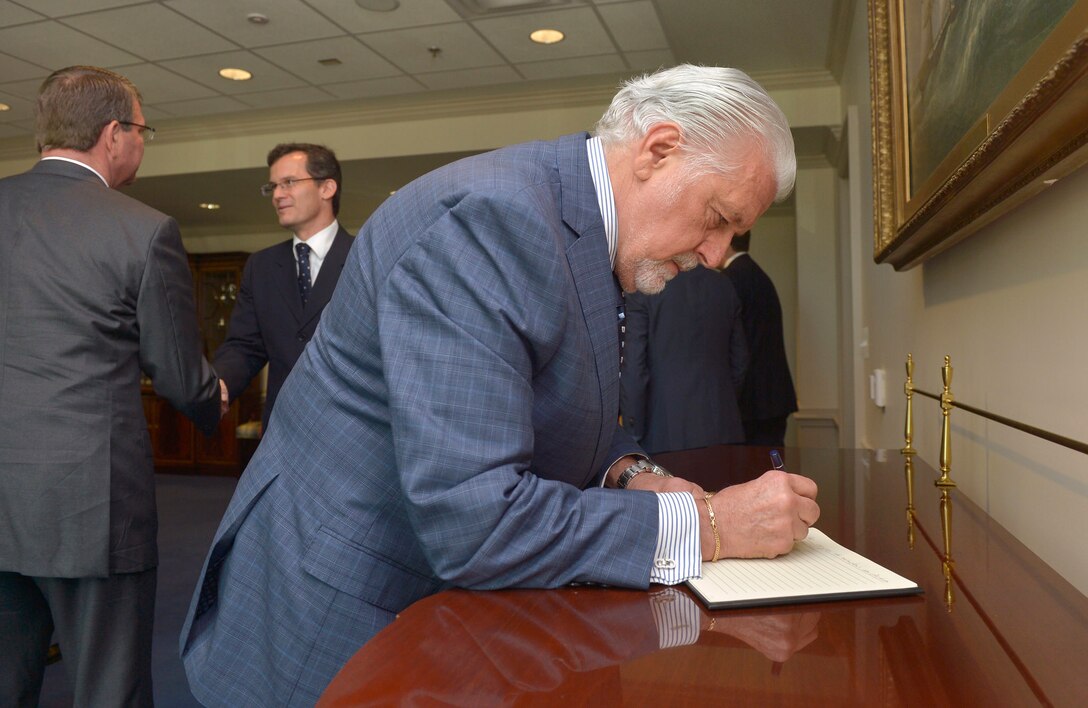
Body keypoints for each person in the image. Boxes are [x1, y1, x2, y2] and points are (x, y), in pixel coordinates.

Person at [181, 64, 821, 706]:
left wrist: (629, 471)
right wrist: (707, 524)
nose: (716, 254)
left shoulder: (603, 240)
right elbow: (475, 521)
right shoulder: (492, 221)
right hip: (336, 600)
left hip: (429, 602)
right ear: (658, 150)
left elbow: (574, 404)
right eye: (717, 217)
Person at [0, 65, 221, 706]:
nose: (142, 143)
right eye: (143, 129)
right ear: (114, 133)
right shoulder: (143, 229)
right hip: (90, 508)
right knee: (108, 690)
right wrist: (217, 402)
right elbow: (180, 376)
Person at [213, 143, 354, 433]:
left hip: (351, 429)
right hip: (283, 431)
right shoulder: (261, 266)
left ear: (327, 188)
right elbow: (245, 346)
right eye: (273, 186)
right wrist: (220, 382)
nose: (277, 195)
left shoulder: (364, 259)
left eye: (289, 183)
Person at [620, 264, 749, 454]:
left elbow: (634, 370)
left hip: (664, 434)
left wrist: (633, 434)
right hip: (725, 429)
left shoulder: (647, 288)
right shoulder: (723, 284)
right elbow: (740, 362)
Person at [721, 231, 798, 445]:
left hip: (751, 402)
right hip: (774, 396)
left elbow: (737, 350)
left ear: (726, 241)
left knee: (753, 473)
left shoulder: (730, 280)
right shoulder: (758, 275)